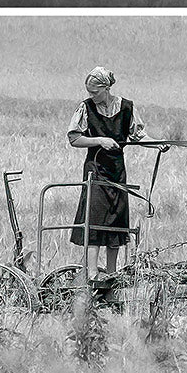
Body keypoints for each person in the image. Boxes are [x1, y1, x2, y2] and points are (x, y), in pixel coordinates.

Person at [67, 66, 167, 279]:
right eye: (89, 92)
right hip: (95, 170)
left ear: (106, 88)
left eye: (95, 92)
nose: (91, 96)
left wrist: (157, 144)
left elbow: (138, 136)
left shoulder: (127, 107)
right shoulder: (85, 108)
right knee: (93, 219)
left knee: (116, 219)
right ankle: (92, 273)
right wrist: (100, 141)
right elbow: (74, 138)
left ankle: (111, 272)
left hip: (117, 171)